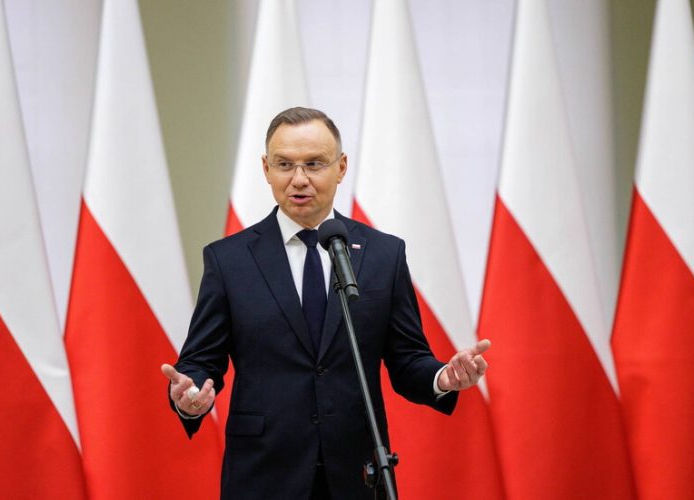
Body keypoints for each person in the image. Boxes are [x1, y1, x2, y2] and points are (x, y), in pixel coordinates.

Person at [161, 107, 490, 499]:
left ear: (341, 167)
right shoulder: (229, 260)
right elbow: (201, 360)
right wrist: (191, 396)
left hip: (356, 473)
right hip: (263, 474)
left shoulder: (382, 255)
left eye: (314, 164)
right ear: (266, 169)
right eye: (285, 164)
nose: (299, 179)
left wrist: (442, 377)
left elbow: (407, 360)